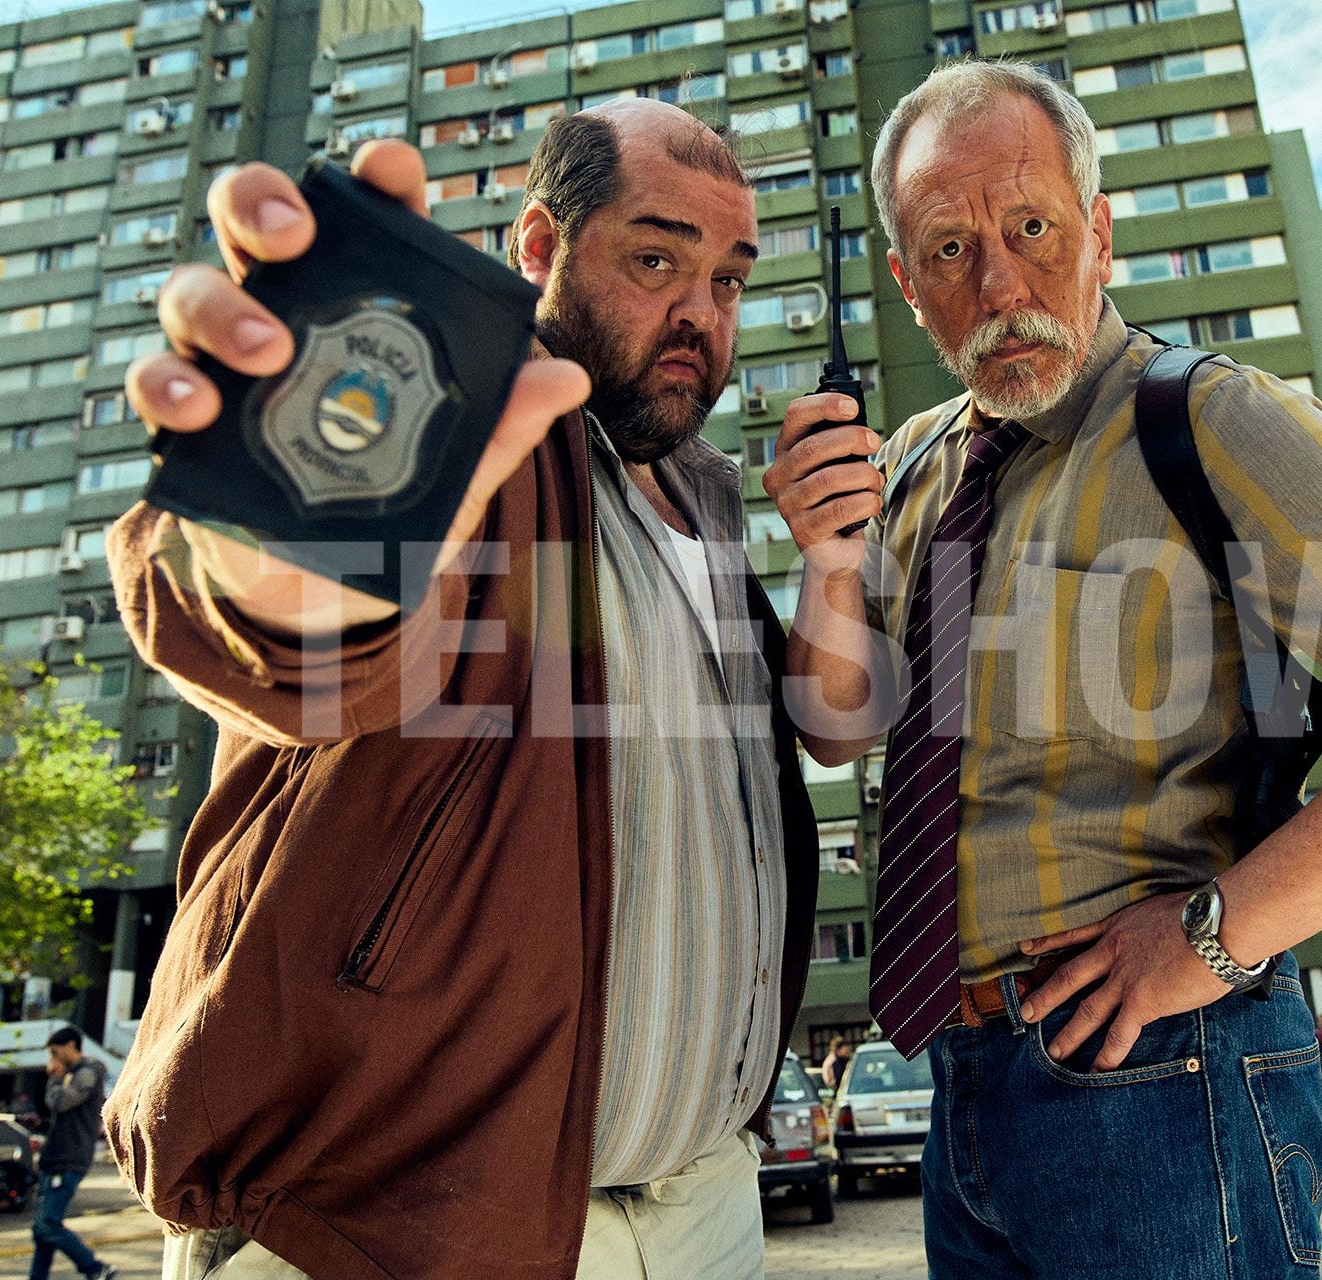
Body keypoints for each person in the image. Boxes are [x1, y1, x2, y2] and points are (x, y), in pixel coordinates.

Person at [765, 60, 1322, 1277]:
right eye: (948, 249)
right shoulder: (913, 466)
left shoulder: (1204, 416)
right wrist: (830, 557)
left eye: (1031, 226)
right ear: (906, 282)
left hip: (1164, 1076)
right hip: (964, 1083)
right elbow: (838, 729)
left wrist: (1213, 935)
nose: (999, 283)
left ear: (1099, 234)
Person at [104, 102, 820, 1280]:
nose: (700, 313)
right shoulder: (456, 418)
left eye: (729, 281)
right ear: (539, 248)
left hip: (706, 1210)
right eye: (656, 260)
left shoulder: (709, 505)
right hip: (386, 1227)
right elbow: (299, 634)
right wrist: (279, 536)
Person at [30, 1027, 117, 1280]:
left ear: (71, 1045)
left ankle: (95, 1268)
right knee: (41, 1230)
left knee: (47, 1224)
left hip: (69, 1158)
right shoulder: (72, 1073)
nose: (53, 1060)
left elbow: (61, 1102)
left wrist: (55, 1079)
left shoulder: (88, 1071)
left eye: (55, 1053)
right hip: (54, 1158)